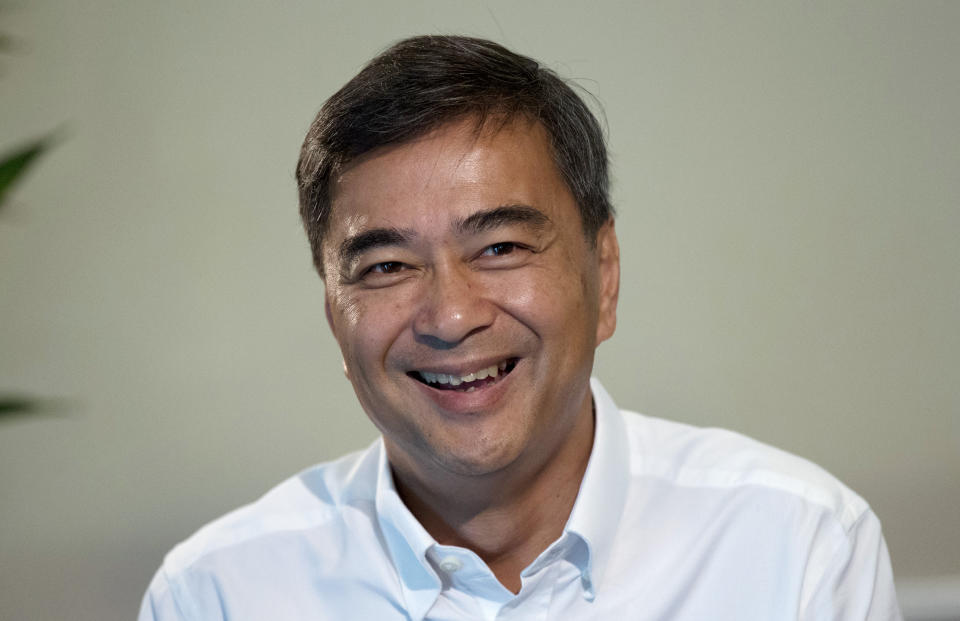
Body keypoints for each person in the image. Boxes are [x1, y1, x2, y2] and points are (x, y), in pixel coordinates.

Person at [139, 35, 902, 620]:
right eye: (387, 267)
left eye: (500, 247)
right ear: (335, 316)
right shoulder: (218, 594)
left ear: (603, 273)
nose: (452, 315)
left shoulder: (796, 546)